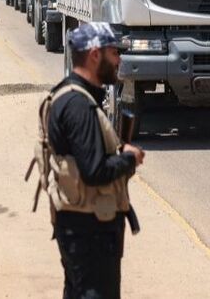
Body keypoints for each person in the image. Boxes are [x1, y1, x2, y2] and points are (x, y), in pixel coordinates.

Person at [44, 23, 145, 299]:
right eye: (114, 53)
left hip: (82, 226)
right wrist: (129, 158)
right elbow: (94, 171)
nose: (119, 60)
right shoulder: (79, 106)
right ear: (94, 55)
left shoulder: (70, 95)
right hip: (90, 231)